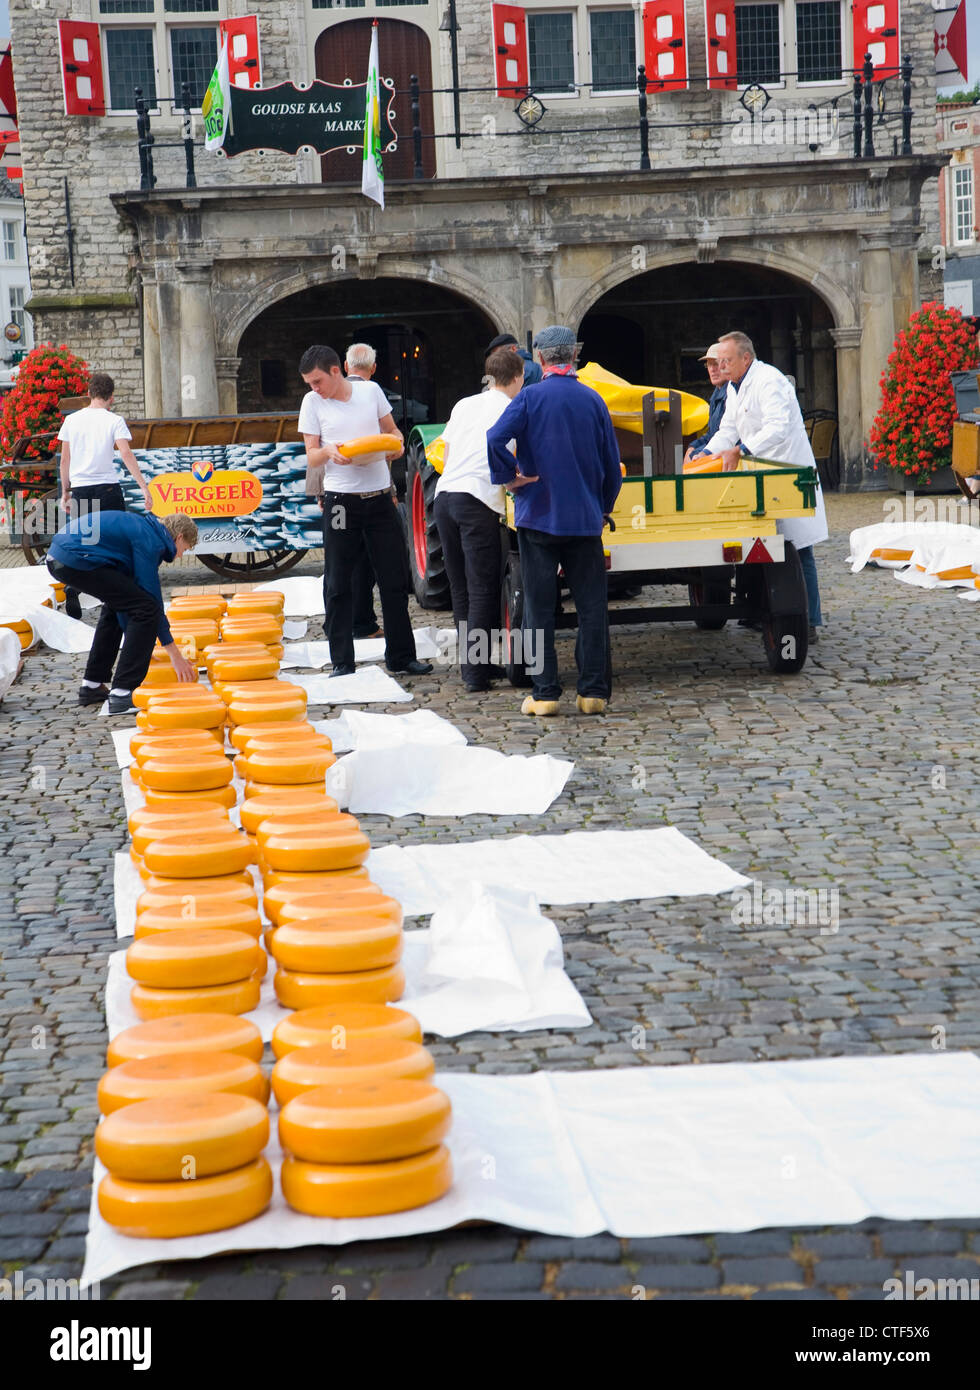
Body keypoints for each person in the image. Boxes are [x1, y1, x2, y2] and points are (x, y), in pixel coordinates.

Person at [487, 324, 622, 716]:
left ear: (541, 358)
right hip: (584, 519)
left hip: (539, 516)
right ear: (574, 355)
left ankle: (545, 693)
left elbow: (494, 438)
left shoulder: (529, 398)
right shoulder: (594, 399)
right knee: (592, 608)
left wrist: (511, 477)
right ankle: (592, 692)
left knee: (539, 607)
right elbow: (612, 466)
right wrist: (603, 507)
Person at [298, 344, 432, 678]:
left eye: (317, 381)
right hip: (340, 501)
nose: (314, 388)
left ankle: (401, 657)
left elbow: (393, 432)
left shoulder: (371, 392)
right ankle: (342, 661)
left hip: (379, 498)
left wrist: (396, 446)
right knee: (338, 581)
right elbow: (311, 455)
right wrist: (328, 451)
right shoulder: (312, 402)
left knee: (394, 579)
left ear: (336, 371)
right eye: (309, 383)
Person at [707, 331, 828, 637]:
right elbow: (728, 429)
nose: (721, 365)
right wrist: (706, 454)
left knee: (798, 550)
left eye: (727, 360)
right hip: (762, 477)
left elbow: (778, 427)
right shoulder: (734, 387)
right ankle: (764, 613)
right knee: (764, 548)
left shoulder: (769, 380)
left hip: (788, 472)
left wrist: (742, 450)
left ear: (746, 358)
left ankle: (810, 621)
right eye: (719, 360)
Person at [46, 510, 198, 713]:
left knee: (118, 604)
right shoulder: (149, 540)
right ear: (179, 537)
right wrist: (174, 654)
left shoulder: (145, 528)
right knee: (146, 608)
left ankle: (92, 685)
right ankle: (122, 693)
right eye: (184, 549)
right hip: (75, 558)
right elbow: (151, 600)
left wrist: (138, 647)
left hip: (61, 556)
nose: (180, 556)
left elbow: (128, 603)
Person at [434, 346, 523, 692]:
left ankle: (476, 664)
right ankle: (475, 673)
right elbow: (516, 458)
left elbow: (447, 453)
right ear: (518, 377)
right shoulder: (514, 407)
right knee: (483, 587)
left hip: (445, 496)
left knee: (460, 588)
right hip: (477, 501)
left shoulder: (463, 404)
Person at [57, 372, 152, 619]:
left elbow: (65, 460)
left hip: (81, 489)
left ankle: (75, 585)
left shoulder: (71, 421)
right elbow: (126, 453)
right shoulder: (114, 420)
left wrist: (65, 491)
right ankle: (115, 596)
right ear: (111, 397)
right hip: (108, 488)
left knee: (86, 543)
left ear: (89, 393)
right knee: (115, 543)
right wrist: (143, 486)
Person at [344, 343, 384, 642]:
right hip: (368, 490)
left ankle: (341, 622)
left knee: (341, 561)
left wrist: (319, 494)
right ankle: (362, 623)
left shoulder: (327, 395)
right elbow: (386, 439)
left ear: (346, 366)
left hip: (336, 495)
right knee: (365, 560)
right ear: (373, 368)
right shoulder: (372, 391)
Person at [683, 344, 730, 464]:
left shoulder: (732, 394)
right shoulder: (716, 394)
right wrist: (693, 446)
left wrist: (697, 453)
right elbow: (711, 434)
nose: (712, 369)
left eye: (716, 364)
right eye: (709, 365)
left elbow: (728, 437)